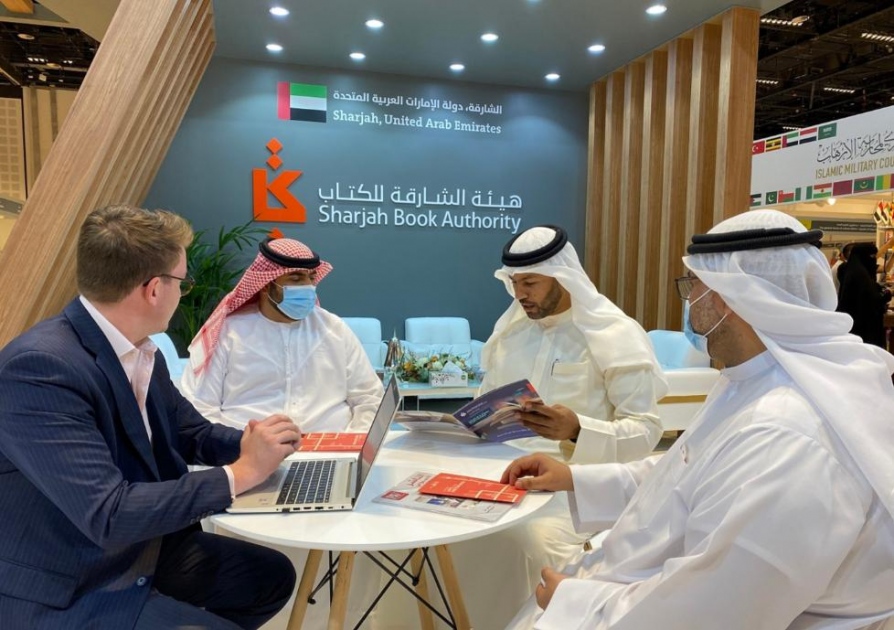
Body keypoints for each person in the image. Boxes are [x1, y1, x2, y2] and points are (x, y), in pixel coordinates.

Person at [502, 209, 894, 630]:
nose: (690, 301)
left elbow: (718, 608)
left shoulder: (788, 433)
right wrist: (574, 479)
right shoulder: (752, 380)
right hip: (643, 589)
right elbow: (686, 471)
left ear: (729, 297)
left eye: (695, 285)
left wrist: (577, 601)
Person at [0, 205, 301, 629]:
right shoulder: (39, 368)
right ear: (155, 289)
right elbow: (109, 514)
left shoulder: (139, 351)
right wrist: (241, 474)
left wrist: (260, 446)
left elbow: (190, 432)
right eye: (183, 282)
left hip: (142, 550)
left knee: (269, 577)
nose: (183, 292)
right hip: (76, 585)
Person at [436, 225, 668, 629]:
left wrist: (577, 430)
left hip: (575, 488)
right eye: (514, 283)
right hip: (501, 474)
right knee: (441, 522)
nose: (520, 294)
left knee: (526, 542)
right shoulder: (510, 332)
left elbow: (645, 432)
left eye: (530, 283)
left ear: (562, 277)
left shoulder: (613, 334)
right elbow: (484, 403)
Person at [181, 236, 384, 432]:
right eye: (296, 279)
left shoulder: (334, 329)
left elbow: (369, 397)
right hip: (246, 448)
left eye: (311, 278)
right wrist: (237, 448)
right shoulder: (229, 333)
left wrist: (354, 442)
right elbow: (200, 407)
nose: (308, 287)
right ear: (266, 285)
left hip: (332, 445)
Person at [837, 242, 892, 348]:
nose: (874, 259)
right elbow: (874, 298)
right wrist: (887, 294)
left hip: (853, 324)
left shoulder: (853, 270)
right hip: (865, 327)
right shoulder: (859, 274)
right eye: (872, 256)